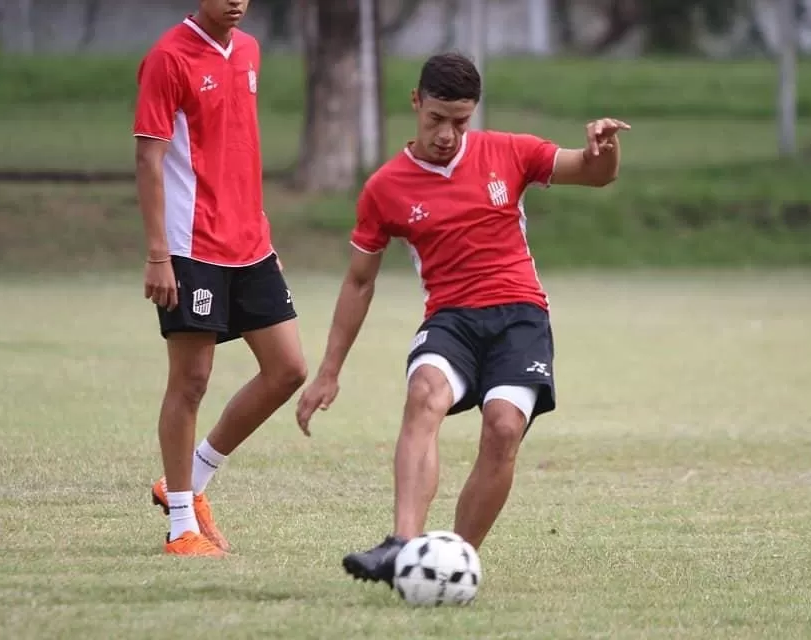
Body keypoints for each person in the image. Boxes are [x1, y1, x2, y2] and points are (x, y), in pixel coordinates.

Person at [295, 52, 629, 586]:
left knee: (502, 429)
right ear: (416, 103)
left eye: (460, 121)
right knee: (425, 393)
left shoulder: (509, 152)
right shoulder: (385, 187)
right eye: (436, 120)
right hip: (450, 317)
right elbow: (359, 280)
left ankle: (450, 562)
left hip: (520, 315)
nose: (447, 134)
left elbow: (594, 174)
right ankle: (403, 546)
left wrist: (605, 150)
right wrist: (330, 370)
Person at [133, 0, 307, 557]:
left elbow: (240, 153)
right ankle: (181, 525)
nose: (237, 1)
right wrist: (159, 253)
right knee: (191, 381)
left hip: (250, 243)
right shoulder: (167, 57)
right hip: (190, 247)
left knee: (287, 370)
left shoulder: (249, 50)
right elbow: (148, 159)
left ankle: (189, 482)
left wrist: (265, 235)